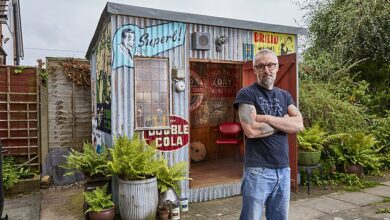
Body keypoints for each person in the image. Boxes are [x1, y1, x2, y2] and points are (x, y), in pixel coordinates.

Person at [234, 49, 304, 220]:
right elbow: (251, 130)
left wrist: (267, 118)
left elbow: (299, 124)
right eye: (261, 66)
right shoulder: (247, 94)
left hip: (283, 169)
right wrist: (284, 122)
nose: (267, 70)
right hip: (258, 170)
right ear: (255, 69)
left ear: (277, 67)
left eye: (271, 65)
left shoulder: (285, 95)